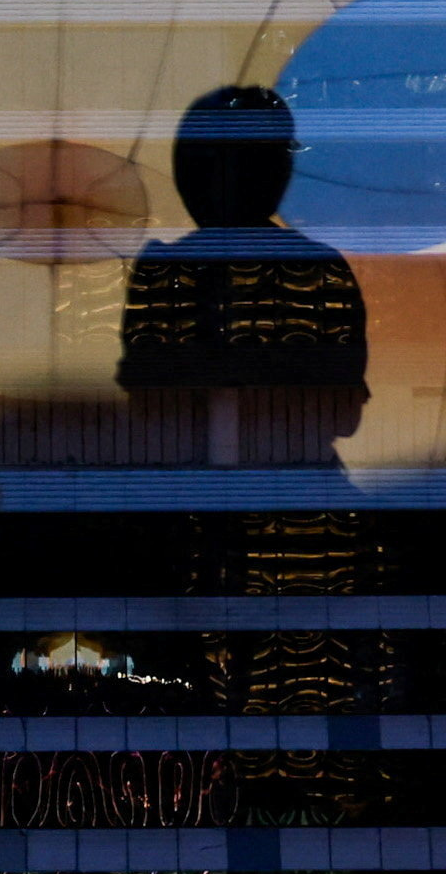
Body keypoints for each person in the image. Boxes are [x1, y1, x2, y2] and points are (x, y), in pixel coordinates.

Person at [117, 86, 376, 701]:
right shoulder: (318, 268)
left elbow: (149, 407)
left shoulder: (170, 272)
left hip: (241, 528)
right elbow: (343, 411)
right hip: (276, 527)